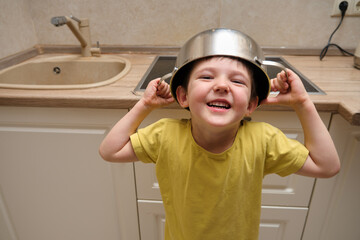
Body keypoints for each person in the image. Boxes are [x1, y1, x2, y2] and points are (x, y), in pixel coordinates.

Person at [99, 56, 340, 240]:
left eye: (237, 81)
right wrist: (144, 105)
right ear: (182, 97)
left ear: (251, 105)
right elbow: (110, 151)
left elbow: (327, 166)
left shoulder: (264, 140)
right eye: (206, 77)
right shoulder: (164, 134)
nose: (222, 85)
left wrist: (303, 104)